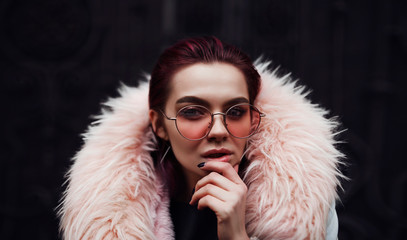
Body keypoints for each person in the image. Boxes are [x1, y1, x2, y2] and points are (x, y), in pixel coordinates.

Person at [58, 36, 344, 239]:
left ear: (253, 119)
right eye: (193, 112)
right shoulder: (107, 215)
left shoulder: (301, 207)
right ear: (159, 124)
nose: (219, 131)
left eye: (235, 111)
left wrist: (236, 236)